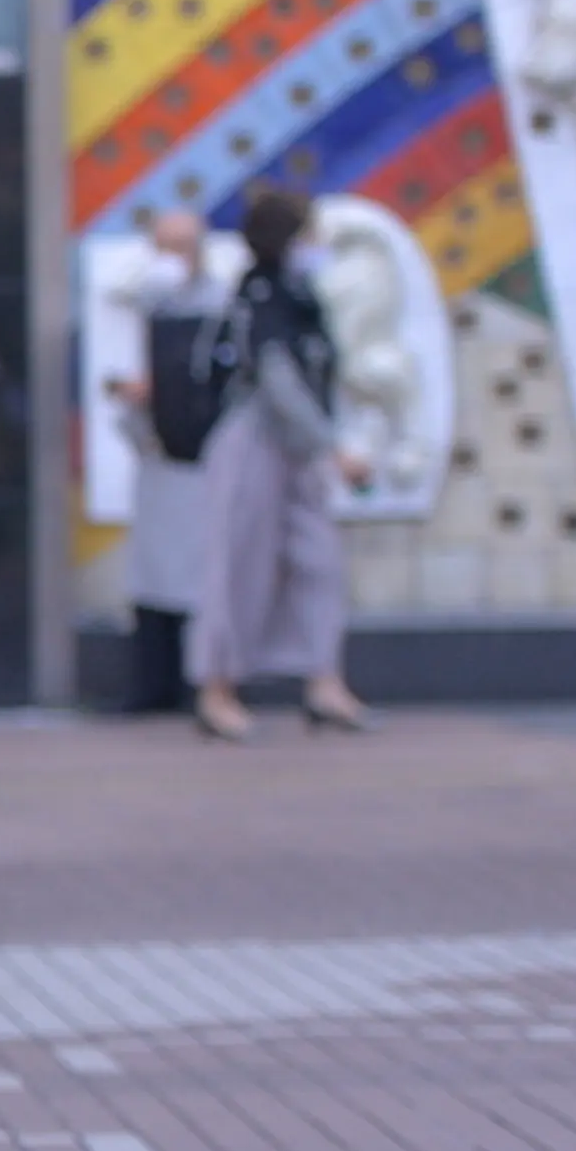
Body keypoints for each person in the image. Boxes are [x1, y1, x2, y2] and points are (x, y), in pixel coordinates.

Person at [190, 186, 370, 742]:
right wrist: (330, 446)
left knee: (319, 561)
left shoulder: (299, 291)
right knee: (239, 562)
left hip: (300, 445)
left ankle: (325, 682)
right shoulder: (261, 294)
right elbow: (276, 379)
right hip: (256, 439)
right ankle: (216, 687)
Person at [105, 203, 225, 716]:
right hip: (156, 458)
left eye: (183, 245)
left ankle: (210, 684)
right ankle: (152, 685)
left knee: (205, 576)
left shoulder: (220, 306)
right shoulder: (137, 303)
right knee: (154, 578)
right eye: (164, 246)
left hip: (205, 462)